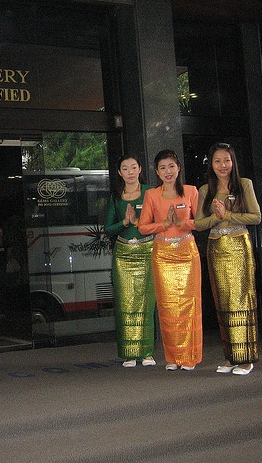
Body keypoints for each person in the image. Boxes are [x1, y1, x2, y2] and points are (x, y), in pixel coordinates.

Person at [194, 142, 261, 375]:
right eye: (217, 161)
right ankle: (231, 357)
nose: (223, 165)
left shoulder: (244, 184)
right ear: (211, 164)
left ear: (233, 162)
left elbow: (256, 217)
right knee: (222, 302)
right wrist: (216, 217)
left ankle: (245, 358)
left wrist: (228, 215)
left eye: (226, 160)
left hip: (239, 245)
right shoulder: (205, 190)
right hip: (216, 247)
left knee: (241, 300)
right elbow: (199, 224)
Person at [138, 149, 202, 371]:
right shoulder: (151, 195)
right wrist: (164, 225)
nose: (168, 171)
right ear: (157, 172)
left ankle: (189, 356)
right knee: (167, 306)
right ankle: (173, 358)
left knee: (189, 303)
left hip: (187, 251)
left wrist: (183, 223)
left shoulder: (191, 191)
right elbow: (143, 227)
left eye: (171, 166)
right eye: (163, 167)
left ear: (178, 168)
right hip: (163, 253)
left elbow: (201, 222)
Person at [104, 154, 156, 368]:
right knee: (125, 303)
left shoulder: (151, 192)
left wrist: (139, 223)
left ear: (140, 169)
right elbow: (108, 229)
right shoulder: (116, 197)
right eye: (125, 168)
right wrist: (125, 222)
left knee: (146, 302)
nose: (130, 172)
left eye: (133, 167)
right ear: (119, 173)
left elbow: (158, 222)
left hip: (147, 250)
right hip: (123, 253)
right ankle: (129, 353)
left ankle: (147, 353)